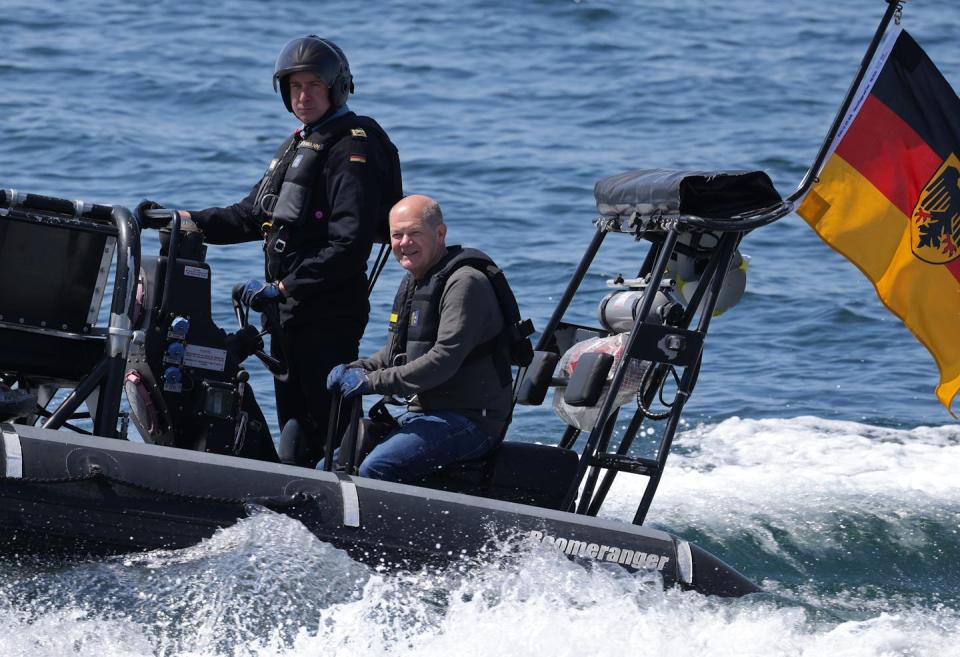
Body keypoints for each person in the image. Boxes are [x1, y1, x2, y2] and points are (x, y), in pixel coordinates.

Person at [136, 36, 402, 468]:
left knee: (324, 427)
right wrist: (180, 218)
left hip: (325, 315)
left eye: (313, 85)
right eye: (295, 87)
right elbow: (248, 216)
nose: (303, 96)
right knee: (295, 429)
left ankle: (346, 499)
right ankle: (291, 494)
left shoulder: (354, 146)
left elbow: (349, 247)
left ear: (336, 88)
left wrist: (284, 286)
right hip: (286, 316)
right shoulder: (300, 144)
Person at [325, 195, 515, 482]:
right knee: (328, 467)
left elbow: (443, 361)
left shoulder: (465, 283)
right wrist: (356, 368)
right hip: (423, 414)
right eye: (397, 235)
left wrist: (371, 382)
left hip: (471, 420)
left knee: (377, 468)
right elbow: (392, 355)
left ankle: (387, 528)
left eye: (414, 233)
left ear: (440, 233)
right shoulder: (415, 280)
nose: (404, 243)